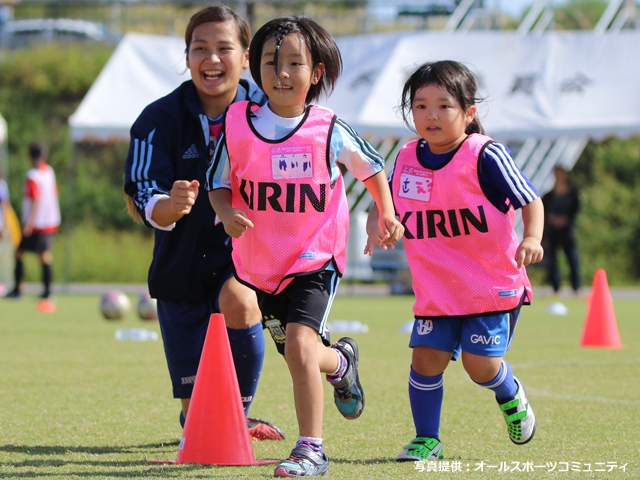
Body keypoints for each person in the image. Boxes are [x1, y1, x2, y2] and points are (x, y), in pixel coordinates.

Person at [206, 16, 403, 477]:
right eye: (271, 62)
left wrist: (386, 213)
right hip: (261, 265)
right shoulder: (237, 123)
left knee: (298, 346)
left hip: (315, 258)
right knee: (303, 355)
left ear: (316, 72)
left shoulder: (328, 128)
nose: (282, 73)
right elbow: (218, 183)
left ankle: (311, 450)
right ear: (256, 69)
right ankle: (342, 362)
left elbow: (372, 169)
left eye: (295, 62)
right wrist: (226, 211)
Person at [365, 61, 544, 461]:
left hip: (490, 286)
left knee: (480, 366)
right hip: (437, 291)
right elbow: (383, 203)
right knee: (425, 359)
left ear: (469, 112)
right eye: (420, 105)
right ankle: (427, 438)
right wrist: (377, 225)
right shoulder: (407, 157)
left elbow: (530, 199)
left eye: (443, 106)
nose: (430, 115)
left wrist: (532, 237)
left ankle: (509, 393)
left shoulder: (486, 154)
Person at [123, 4, 284, 441]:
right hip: (179, 266)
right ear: (187, 55)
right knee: (194, 418)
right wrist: (171, 206)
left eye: (224, 48)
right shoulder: (157, 120)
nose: (211, 60)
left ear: (246, 56)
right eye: (200, 49)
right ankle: (202, 415)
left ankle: (241, 414)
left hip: (244, 259)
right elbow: (141, 192)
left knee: (241, 300)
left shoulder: (270, 113)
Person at [6, 141, 60, 300]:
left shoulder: (32, 176)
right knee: (43, 255)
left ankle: (19, 290)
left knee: (20, 253)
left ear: (29, 156)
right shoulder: (49, 171)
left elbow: (35, 199)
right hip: (50, 221)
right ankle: (47, 291)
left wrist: (29, 222)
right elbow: (55, 192)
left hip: (36, 224)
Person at [542, 166, 581, 295]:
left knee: (572, 259)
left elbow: (575, 210)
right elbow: (544, 210)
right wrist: (552, 220)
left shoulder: (572, 194)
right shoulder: (549, 196)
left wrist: (565, 219)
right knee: (552, 260)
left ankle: (576, 286)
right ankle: (555, 287)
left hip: (567, 231)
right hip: (552, 231)